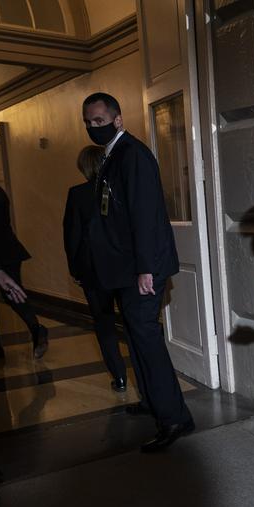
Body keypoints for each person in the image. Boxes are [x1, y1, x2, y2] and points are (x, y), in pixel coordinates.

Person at [81, 92, 193, 452]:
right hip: (125, 270)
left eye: (99, 121)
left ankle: (174, 418)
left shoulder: (133, 154)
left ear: (117, 119)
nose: (92, 127)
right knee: (137, 337)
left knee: (147, 341)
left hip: (141, 270)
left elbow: (145, 215)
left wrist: (146, 268)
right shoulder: (112, 156)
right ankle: (153, 401)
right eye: (88, 122)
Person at [63, 145, 128, 392]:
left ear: (84, 167)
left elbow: (72, 236)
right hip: (123, 267)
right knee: (131, 322)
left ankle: (119, 376)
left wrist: (75, 270)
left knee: (104, 324)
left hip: (93, 270)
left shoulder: (77, 194)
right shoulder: (119, 189)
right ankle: (142, 376)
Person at [0, 183, 48, 360]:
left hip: (0, 253)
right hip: (8, 250)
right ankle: (36, 329)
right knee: (14, 294)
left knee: (13, 294)